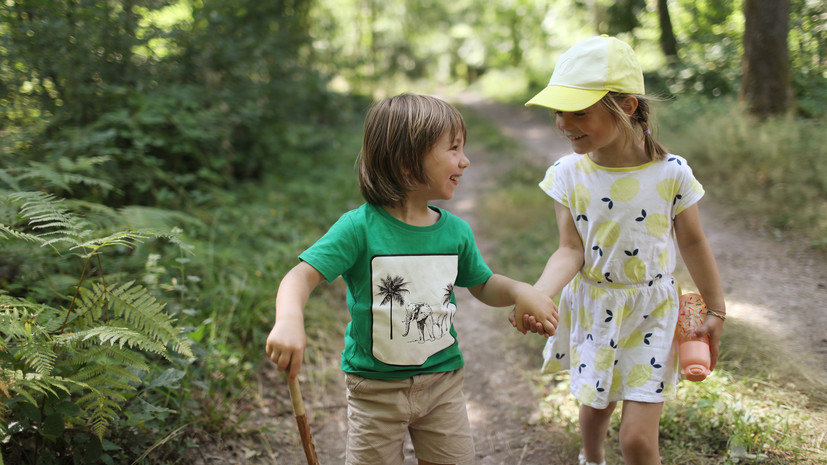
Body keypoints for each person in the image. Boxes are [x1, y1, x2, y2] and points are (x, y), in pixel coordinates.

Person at [265, 93, 559, 465]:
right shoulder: (359, 228)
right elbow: (299, 277)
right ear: (407, 163)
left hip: (442, 385)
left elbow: (482, 284)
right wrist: (289, 320)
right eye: (453, 149)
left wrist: (521, 290)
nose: (465, 161)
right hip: (374, 392)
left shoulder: (455, 232)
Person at [516, 36, 726, 465]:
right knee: (596, 404)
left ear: (626, 106)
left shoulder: (672, 173)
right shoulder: (567, 174)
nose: (563, 122)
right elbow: (570, 250)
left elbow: (692, 241)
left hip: (652, 310)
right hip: (595, 306)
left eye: (579, 111)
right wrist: (539, 292)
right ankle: (591, 457)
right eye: (559, 111)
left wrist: (716, 308)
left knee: (637, 442)